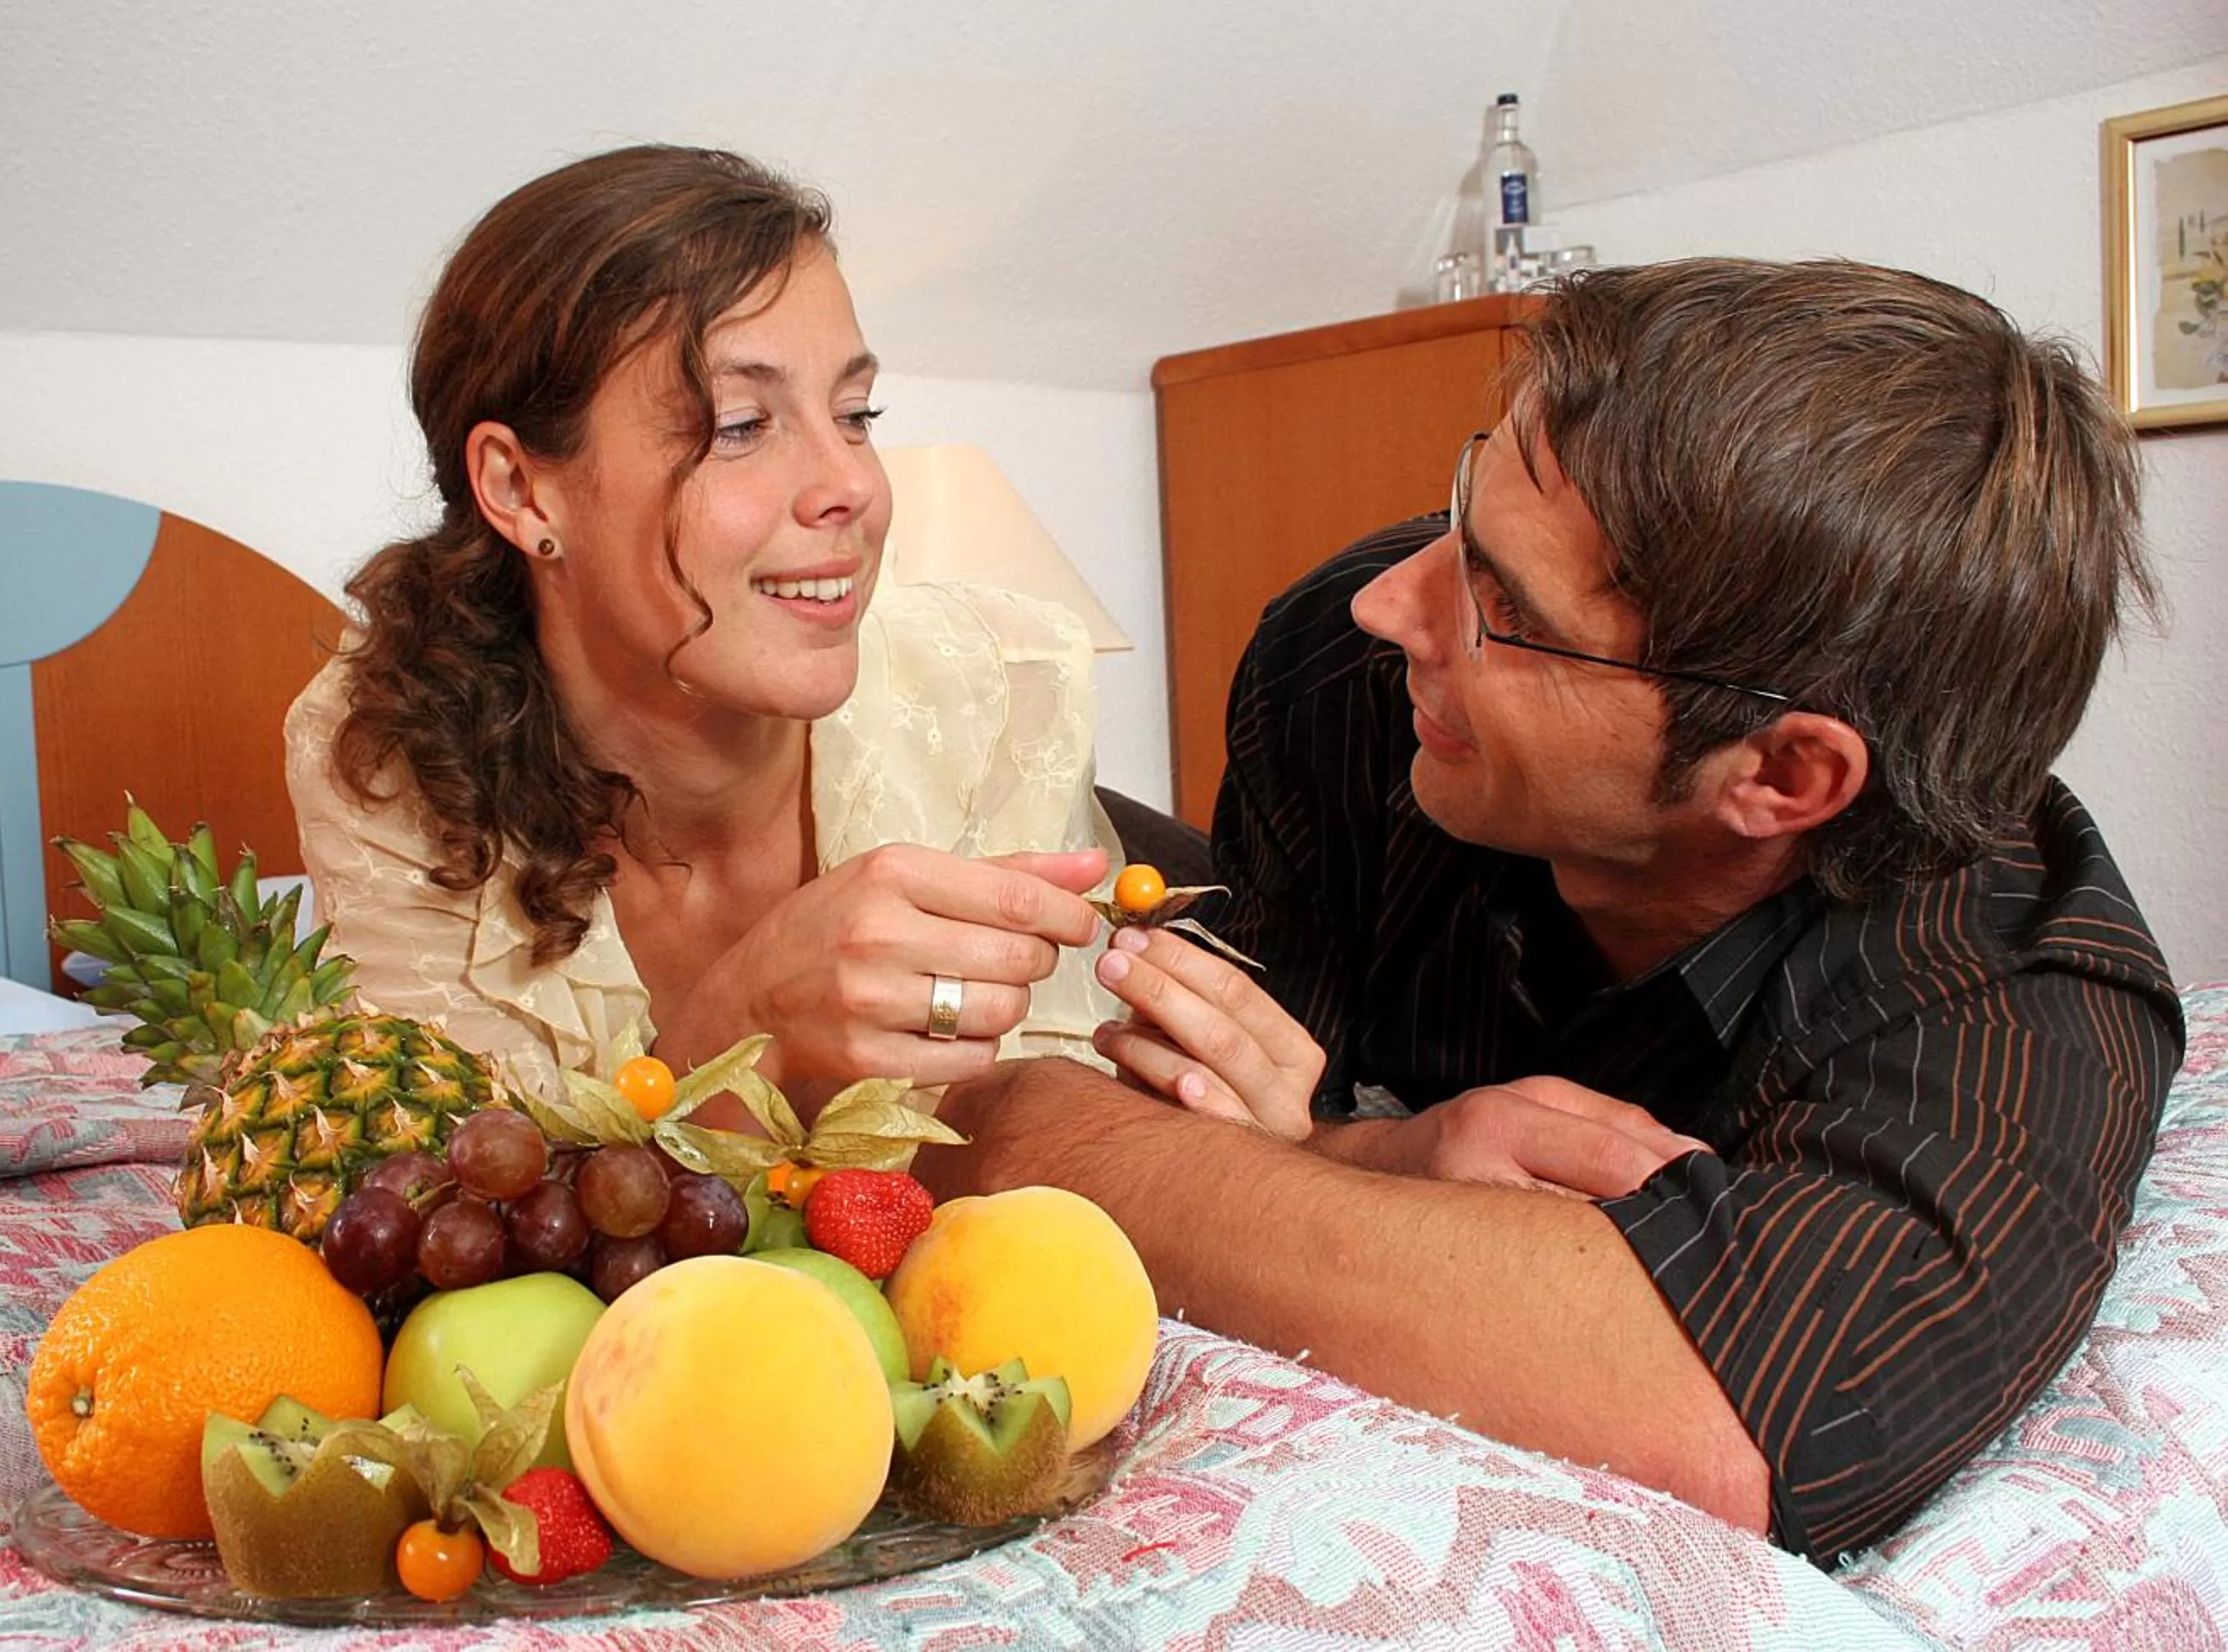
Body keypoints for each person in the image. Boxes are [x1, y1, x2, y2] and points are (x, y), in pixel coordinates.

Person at [911, 259, 2184, 1566]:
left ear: (1782, 776)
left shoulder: (2021, 991)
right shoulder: (1350, 679)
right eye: (1461, 513)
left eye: (1505, 609)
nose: (1390, 601)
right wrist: (1369, 1158)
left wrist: (1030, 1124)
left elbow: (1723, 1416)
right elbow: (1249, 1106)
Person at [284, 145, 1118, 1117]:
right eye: (738, 426)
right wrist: (746, 1022)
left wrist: (1230, 1114)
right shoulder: (391, 756)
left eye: (857, 413)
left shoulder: (1003, 689)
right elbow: (474, 1221)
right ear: (520, 488)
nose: (852, 483)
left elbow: (1054, 1130)